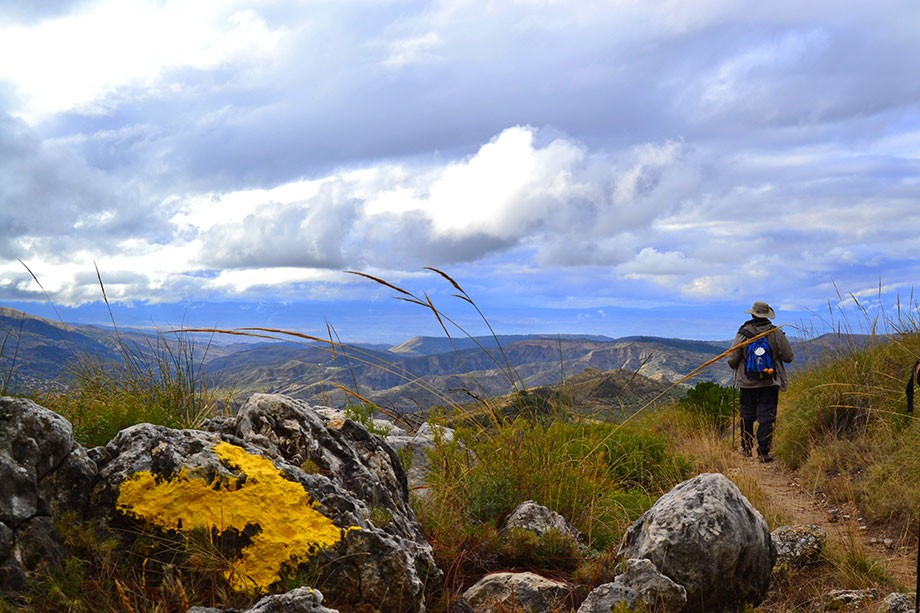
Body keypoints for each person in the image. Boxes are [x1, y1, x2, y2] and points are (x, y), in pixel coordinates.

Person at [727, 301, 794, 463]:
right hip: (769, 382)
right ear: (767, 315)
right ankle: (763, 452)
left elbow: (732, 359)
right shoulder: (776, 333)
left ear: (752, 314)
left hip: (747, 382)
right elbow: (788, 357)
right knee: (767, 417)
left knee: (747, 415)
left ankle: (747, 449)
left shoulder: (743, 333)